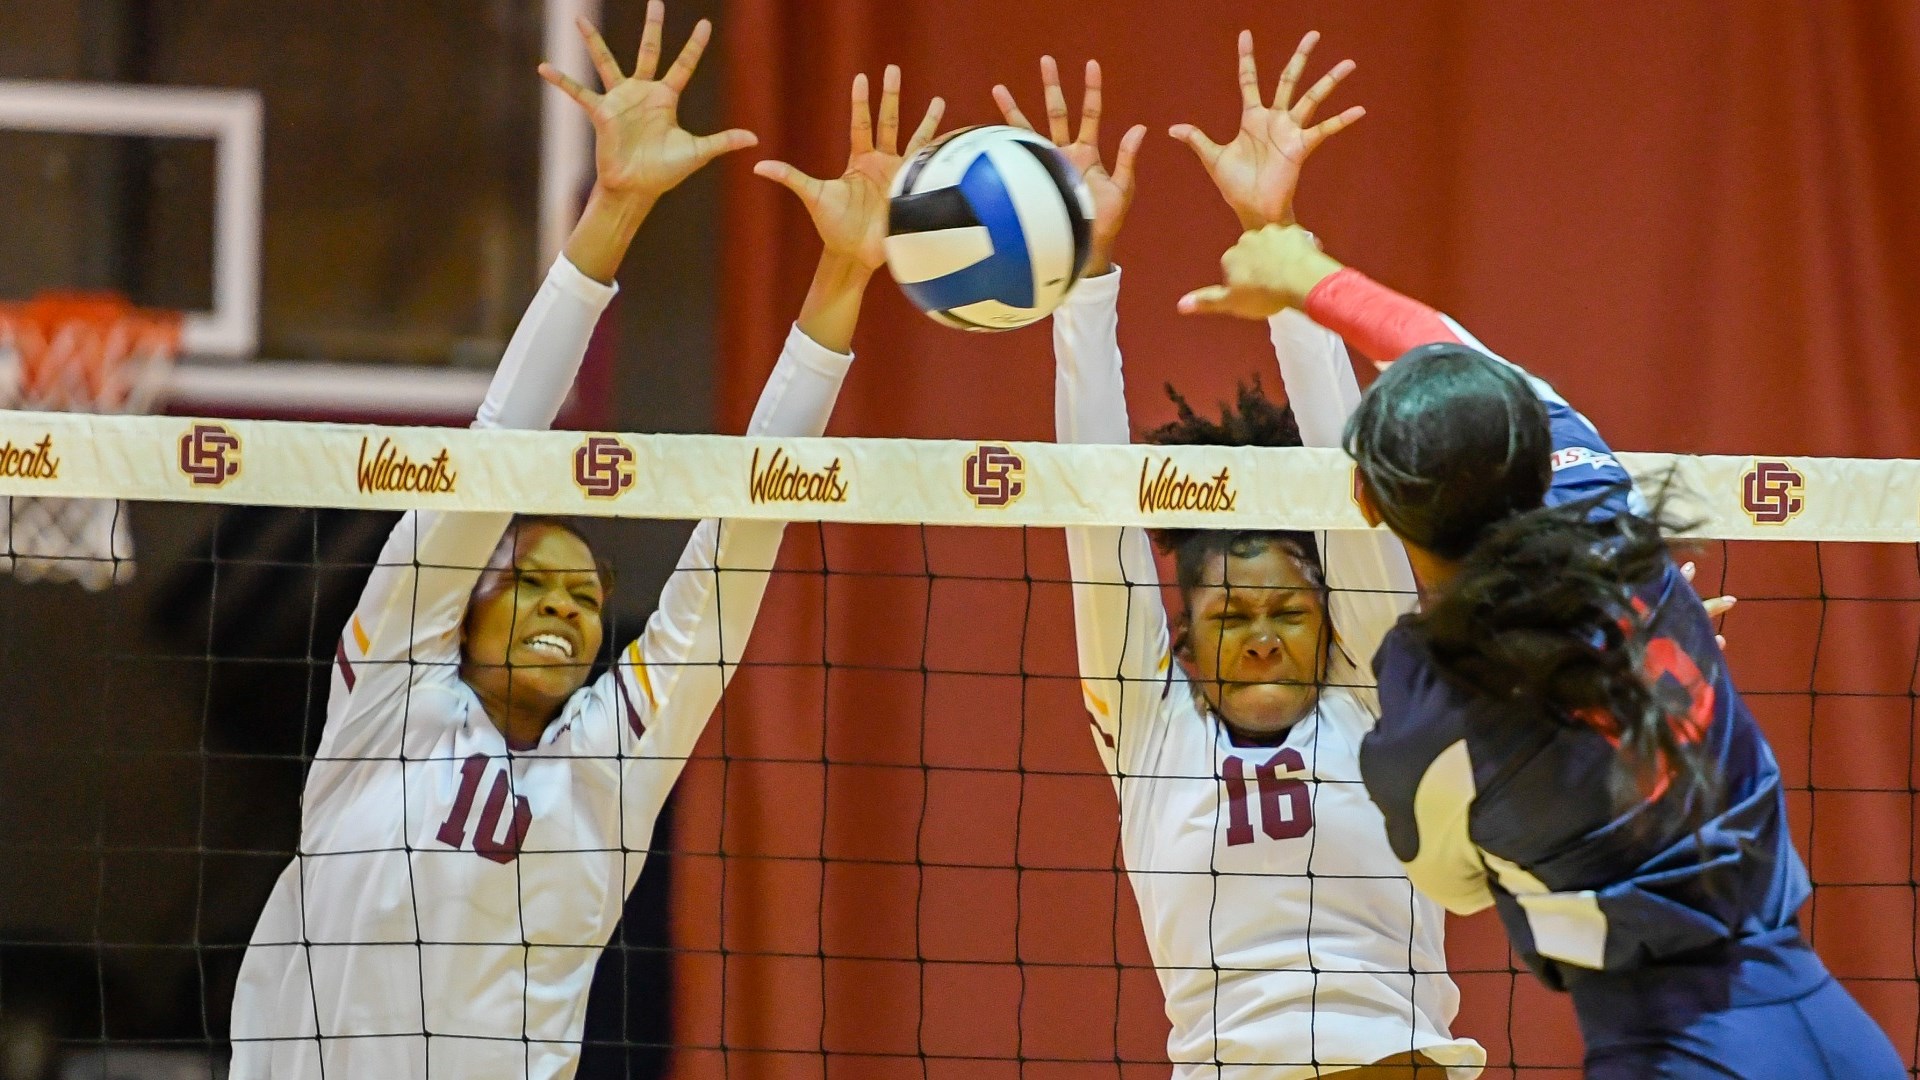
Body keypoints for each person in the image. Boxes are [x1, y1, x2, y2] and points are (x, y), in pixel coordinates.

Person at [229, 7, 944, 1075]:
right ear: (461, 608)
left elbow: (740, 540)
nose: (569, 606)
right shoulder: (388, 699)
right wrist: (611, 210)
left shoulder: (610, 767)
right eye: (534, 585)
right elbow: (498, 448)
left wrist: (842, 276)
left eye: (585, 595)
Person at [1178, 223, 1905, 1079]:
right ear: (1533, 448)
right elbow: (1441, 343)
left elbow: (1451, 887)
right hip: (1832, 1025)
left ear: (1367, 502)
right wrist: (1307, 275)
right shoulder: (1600, 500)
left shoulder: (1432, 708)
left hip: (1681, 1051)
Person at [1005, 34, 1483, 1078]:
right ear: (1184, 640)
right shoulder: (1149, 727)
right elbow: (1097, 515)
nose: (1264, 637)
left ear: (1330, 618)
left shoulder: (1371, 692)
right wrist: (1085, 282)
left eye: (1287, 611)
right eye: (1231, 617)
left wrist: (1275, 239)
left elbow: (1344, 472)